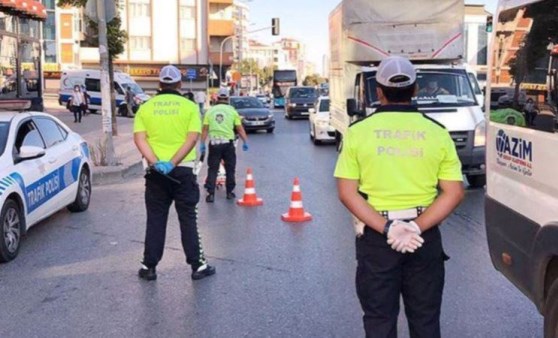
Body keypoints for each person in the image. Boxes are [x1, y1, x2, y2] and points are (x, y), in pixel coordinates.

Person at [334, 55, 465, 338]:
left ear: (378, 91)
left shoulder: (357, 133)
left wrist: (388, 228)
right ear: (415, 89)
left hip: (377, 240)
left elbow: (347, 193)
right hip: (424, 238)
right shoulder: (438, 133)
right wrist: (416, 227)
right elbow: (453, 192)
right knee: (426, 321)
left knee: (380, 320)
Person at [133, 65, 216, 281]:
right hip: (183, 172)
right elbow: (192, 139)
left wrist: (157, 162)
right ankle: (198, 266)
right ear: (179, 84)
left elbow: (140, 139)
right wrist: (173, 162)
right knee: (188, 218)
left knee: (155, 219)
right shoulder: (189, 107)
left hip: (155, 174)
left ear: (160, 84)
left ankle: (148, 267)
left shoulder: (146, 107)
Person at [200, 94, 249, 203]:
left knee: (212, 169)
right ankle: (229, 193)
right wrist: (245, 141)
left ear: (217, 99)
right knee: (230, 169)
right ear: (227, 99)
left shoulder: (210, 111)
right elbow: (239, 128)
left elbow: (205, 129)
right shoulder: (232, 111)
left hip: (214, 143)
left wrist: (202, 143)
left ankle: (210, 194)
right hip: (228, 145)